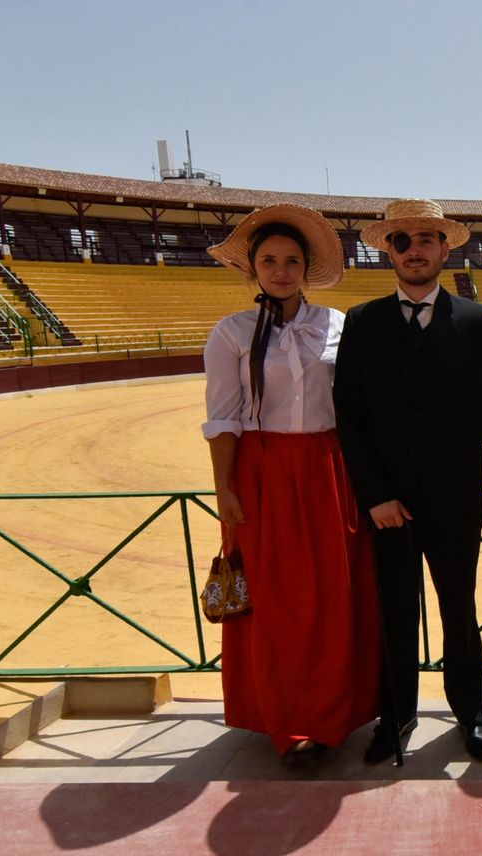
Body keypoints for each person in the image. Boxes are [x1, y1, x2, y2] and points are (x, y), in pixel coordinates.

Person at [333, 199, 482, 764]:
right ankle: (397, 716)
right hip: (386, 502)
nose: (415, 249)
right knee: (393, 612)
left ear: (445, 248)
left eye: (427, 239)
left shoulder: (477, 321)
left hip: (455, 497)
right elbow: (350, 415)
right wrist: (376, 494)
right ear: (387, 250)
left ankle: (472, 713)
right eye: (403, 240)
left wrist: (438, 452)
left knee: (458, 610)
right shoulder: (362, 323)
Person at [201, 203, 380, 767]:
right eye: (270, 260)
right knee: (279, 599)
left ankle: (335, 712)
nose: (281, 270)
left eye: (292, 261)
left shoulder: (340, 326)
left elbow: (359, 409)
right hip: (263, 473)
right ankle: (288, 719)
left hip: (331, 470)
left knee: (333, 593)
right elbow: (223, 416)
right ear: (253, 268)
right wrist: (224, 489)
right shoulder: (230, 333)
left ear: (307, 267)